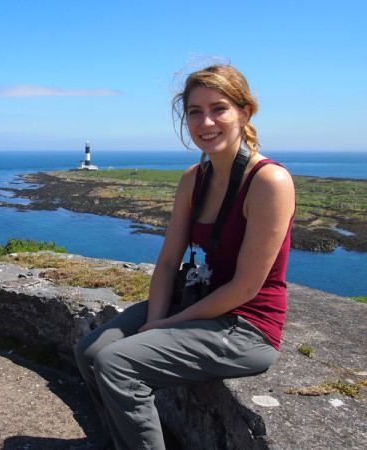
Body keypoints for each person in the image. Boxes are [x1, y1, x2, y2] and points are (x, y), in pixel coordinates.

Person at [74, 63, 296, 450]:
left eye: (219, 108)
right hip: (196, 300)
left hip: (246, 326)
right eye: (195, 111)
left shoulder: (269, 182)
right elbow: (166, 261)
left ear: (244, 112)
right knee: (90, 352)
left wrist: (169, 324)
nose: (205, 121)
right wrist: (158, 319)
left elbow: (246, 287)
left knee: (117, 364)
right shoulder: (194, 179)